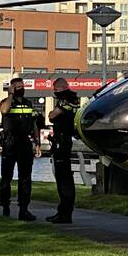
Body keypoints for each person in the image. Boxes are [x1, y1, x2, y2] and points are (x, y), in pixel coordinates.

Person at [0, 77, 41, 221]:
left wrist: (37, 142)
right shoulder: (6, 102)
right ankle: (5, 205)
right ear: (12, 88)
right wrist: (10, 95)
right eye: (17, 87)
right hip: (10, 143)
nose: (21, 89)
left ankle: (24, 209)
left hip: (25, 144)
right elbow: (4, 111)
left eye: (22, 86)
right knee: (7, 178)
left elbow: (34, 124)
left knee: (25, 178)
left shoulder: (28, 103)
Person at [47, 77, 80, 224]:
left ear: (62, 88)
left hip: (63, 142)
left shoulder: (67, 100)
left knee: (63, 179)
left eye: (56, 90)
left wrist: (52, 113)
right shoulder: (73, 99)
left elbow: (52, 115)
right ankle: (63, 212)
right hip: (63, 141)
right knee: (63, 178)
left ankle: (65, 213)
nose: (55, 93)